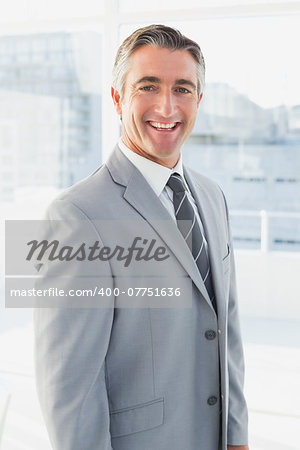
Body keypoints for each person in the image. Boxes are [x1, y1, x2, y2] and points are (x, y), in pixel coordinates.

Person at [34, 24, 249, 450]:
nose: (167, 106)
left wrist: (237, 436)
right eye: (148, 86)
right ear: (118, 98)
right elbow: (70, 391)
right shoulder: (77, 217)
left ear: (199, 100)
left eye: (183, 89)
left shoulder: (212, 196)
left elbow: (228, 330)